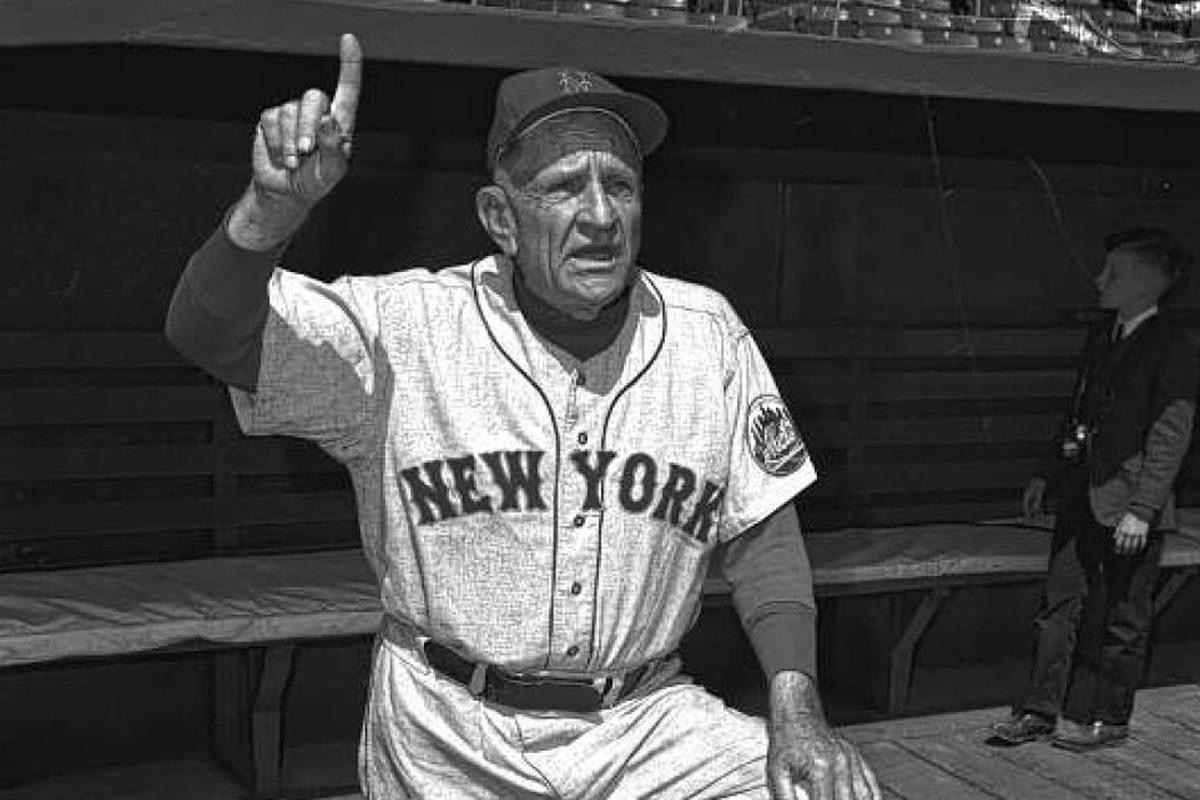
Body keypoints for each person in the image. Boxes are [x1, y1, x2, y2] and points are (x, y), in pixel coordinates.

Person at [164, 34, 880, 800]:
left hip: (641, 724)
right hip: (450, 730)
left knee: (824, 793)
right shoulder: (407, 328)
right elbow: (206, 334)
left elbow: (762, 535)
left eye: (621, 183)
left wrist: (797, 708)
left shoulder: (708, 334)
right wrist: (270, 212)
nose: (601, 214)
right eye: (566, 186)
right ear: (500, 219)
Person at [989, 227, 1197, 751]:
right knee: (1057, 603)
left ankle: (1110, 717)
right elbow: (1076, 414)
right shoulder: (1104, 336)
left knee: (1125, 615)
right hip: (1083, 494)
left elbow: (1171, 432)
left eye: (1115, 273)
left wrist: (1144, 509)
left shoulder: (1172, 344)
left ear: (1150, 283)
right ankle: (1039, 710)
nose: (1100, 280)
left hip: (1131, 505)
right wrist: (1046, 473)